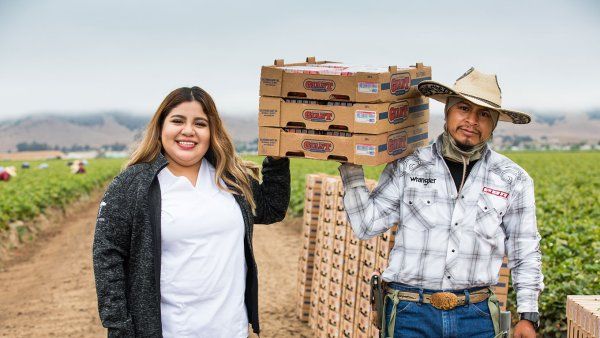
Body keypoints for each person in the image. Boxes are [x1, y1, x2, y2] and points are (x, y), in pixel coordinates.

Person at [339, 68, 543, 338]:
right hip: (410, 314)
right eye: (463, 108)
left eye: (484, 114)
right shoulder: (409, 165)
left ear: (494, 123)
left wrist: (528, 315)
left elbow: (525, 248)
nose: (472, 120)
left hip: (477, 316)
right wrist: (350, 168)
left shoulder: (512, 179)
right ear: (447, 111)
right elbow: (366, 225)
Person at [93, 86, 290, 337]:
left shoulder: (230, 179)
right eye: (177, 121)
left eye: (200, 123)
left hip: (230, 328)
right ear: (161, 127)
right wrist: (119, 326)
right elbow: (108, 256)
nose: (188, 131)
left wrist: (277, 160)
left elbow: (272, 208)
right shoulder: (133, 184)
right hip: (169, 330)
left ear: (212, 132)